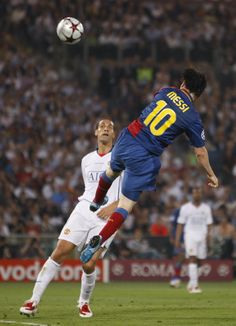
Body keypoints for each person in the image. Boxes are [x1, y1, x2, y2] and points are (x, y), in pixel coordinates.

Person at [80, 68, 219, 264]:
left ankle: (96, 200)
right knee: (125, 205)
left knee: (111, 171)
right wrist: (211, 175)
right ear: (199, 95)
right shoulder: (193, 118)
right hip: (144, 156)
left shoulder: (166, 91)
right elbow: (200, 153)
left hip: (128, 137)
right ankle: (100, 238)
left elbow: (158, 104)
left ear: (183, 84)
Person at [20, 119, 121, 318]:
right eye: (101, 126)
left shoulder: (122, 157)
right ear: (95, 132)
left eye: (110, 127)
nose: (106, 129)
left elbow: (131, 191)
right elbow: (90, 190)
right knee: (60, 251)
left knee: (88, 263)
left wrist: (113, 206)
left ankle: (83, 302)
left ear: (114, 134)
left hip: (108, 217)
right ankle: (33, 300)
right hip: (84, 209)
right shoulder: (86, 159)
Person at [175, 186, 213, 293]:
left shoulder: (206, 208)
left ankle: (191, 283)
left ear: (201, 194)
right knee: (192, 258)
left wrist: (209, 237)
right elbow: (180, 224)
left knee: (200, 261)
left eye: (199, 192)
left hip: (202, 236)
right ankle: (194, 286)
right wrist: (178, 239)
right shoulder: (185, 208)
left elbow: (209, 225)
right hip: (190, 235)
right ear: (192, 194)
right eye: (195, 192)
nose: (197, 194)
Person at [169, 208, 185, 288]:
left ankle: (177, 277)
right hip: (179, 238)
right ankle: (176, 277)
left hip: (190, 237)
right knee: (179, 257)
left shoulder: (193, 211)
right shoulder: (177, 211)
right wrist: (172, 236)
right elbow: (172, 224)